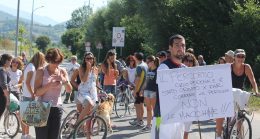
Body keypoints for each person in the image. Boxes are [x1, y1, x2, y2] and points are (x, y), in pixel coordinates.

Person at [215, 49, 259, 139]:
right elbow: (220, 79)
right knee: (221, 113)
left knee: (240, 117)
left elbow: (252, 80)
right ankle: (218, 135)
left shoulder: (246, 67)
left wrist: (256, 91)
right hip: (227, 92)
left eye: (243, 56)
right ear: (234, 57)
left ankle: (240, 136)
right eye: (238, 56)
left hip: (239, 94)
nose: (241, 58)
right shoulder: (228, 67)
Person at [152, 34, 189, 139]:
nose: (180, 48)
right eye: (177, 45)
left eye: (183, 45)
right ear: (170, 48)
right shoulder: (163, 68)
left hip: (180, 118)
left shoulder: (185, 69)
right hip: (163, 118)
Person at [34, 48, 72, 139]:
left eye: (59, 61)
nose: (57, 64)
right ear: (49, 59)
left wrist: (64, 81)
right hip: (42, 107)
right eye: (54, 61)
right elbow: (36, 92)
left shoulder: (62, 71)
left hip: (57, 108)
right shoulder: (41, 71)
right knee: (41, 137)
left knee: (54, 137)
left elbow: (69, 90)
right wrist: (49, 85)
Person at [74, 52, 99, 139]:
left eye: (91, 58)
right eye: (87, 58)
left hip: (93, 93)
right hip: (83, 93)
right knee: (89, 104)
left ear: (93, 59)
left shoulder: (96, 69)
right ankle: (77, 123)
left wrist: (100, 91)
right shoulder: (82, 68)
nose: (89, 60)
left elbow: (96, 82)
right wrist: (88, 69)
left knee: (90, 116)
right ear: (84, 60)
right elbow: (83, 80)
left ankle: (88, 135)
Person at [21, 52, 45, 139]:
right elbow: (27, 83)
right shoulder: (31, 68)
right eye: (43, 59)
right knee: (26, 117)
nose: (43, 61)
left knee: (27, 117)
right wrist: (33, 94)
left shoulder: (29, 66)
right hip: (28, 95)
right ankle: (24, 135)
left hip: (26, 94)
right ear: (39, 59)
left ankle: (26, 134)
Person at [139, 55, 159, 132]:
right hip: (147, 91)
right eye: (146, 62)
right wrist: (142, 89)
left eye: (148, 62)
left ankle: (157, 126)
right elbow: (146, 81)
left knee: (155, 110)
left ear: (153, 62)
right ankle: (148, 125)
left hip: (154, 92)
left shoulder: (157, 70)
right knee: (148, 109)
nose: (146, 63)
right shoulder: (148, 70)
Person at [129, 52, 148, 127]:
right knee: (141, 104)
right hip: (144, 88)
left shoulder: (139, 67)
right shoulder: (145, 65)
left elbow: (138, 79)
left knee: (137, 105)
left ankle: (139, 120)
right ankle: (141, 120)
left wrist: (135, 90)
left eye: (134, 56)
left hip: (139, 89)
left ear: (136, 57)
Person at [0, 54, 12, 118]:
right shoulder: (2, 70)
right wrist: (8, 98)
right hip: (1, 96)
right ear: (6, 61)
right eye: (10, 61)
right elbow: (4, 85)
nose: (10, 63)